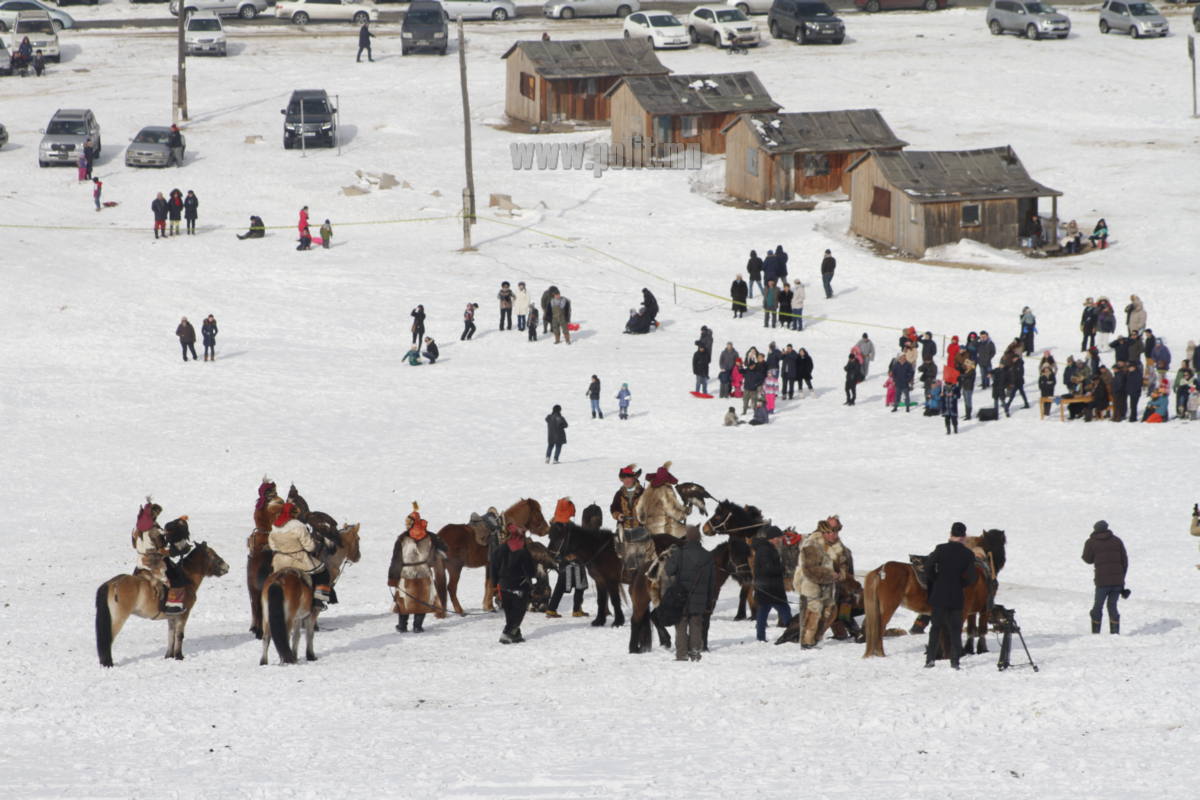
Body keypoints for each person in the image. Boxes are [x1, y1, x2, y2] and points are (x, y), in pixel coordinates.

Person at [922, 522, 976, 669]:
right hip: (956, 595)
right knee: (956, 628)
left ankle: (930, 659)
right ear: (964, 536)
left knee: (935, 627)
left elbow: (927, 568)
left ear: (951, 534)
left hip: (939, 594)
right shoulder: (968, 554)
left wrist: (936, 579)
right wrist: (960, 584)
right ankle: (955, 661)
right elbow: (972, 578)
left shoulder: (940, 549)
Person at [267, 499, 332, 611]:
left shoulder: (275, 527)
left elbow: (273, 546)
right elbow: (309, 547)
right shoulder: (299, 526)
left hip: (280, 561)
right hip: (299, 560)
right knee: (323, 572)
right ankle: (318, 600)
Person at [664, 526, 716, 662]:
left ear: (687, 537)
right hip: (700, 599)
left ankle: (681, 655)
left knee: (680, 625)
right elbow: (712, 582)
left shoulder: (679, 553)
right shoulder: (708, 556)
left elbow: (668, 571)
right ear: (699, 538)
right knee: (696, 625)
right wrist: (709, 601)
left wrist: (669, 558)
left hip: (681, 598)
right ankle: (695, 653)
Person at [795, 518, 846, 649]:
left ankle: (817, 638)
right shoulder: (811, 544)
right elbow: (810, 568)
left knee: (829, 610)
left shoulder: (835, 545)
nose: (832, 535)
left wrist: (841, 572)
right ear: (823, 532)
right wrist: (830, 574)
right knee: (813, 611)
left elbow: (842, 562)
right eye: (829, 532)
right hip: (811, 583)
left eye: (834, 532)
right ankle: (807, 641)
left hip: (828, 584)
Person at [388, 504, 439, 633]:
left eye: (407, 523)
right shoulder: (431, 537)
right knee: (423, 600)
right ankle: (417, 626)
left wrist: (392, 578)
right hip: (424, 572)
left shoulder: (402, 538)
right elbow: (442, 551)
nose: (406, 525)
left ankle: (402, 626)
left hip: (406, 573)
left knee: (404, 600)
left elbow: (396, 560)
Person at [491, 527, 537, 644]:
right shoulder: (523, 551)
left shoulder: (499, 549)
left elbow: (493, 567)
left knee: (510, 612)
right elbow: (531, 571)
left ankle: (516, 634)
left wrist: (494, 583)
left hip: (504, 586)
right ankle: (507, 633)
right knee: (518, 612)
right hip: (520, 586)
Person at [1082, 520, 1127, 634]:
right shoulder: (1117, 541)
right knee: (1112, 606)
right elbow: (1124, 561)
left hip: (1102, 582)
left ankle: (1096, 633)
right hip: (1117, 582)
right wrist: (1121, 578)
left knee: (1097, 607)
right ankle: (1115, 633)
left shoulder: (1091, 542)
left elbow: (1087, 559)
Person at [752, 534, 792, 642]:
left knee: (763, 611)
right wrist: (783, 569)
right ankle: (792, 633)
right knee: (784, 610)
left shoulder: (767, 548)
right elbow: (768, 569)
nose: (780, 540)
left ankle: (760, 637)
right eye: (778, 537)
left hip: (767, 587)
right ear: (772, 538)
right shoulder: (765, 550)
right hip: (771, 588)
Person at [637, 463, 686, 538]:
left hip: (649, 530)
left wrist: (646, 521)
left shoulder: (648, 490)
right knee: (688, 533)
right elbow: (671, 510)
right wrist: (683, 515)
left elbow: (639, 510)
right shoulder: (665, 490)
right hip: (664, 530)